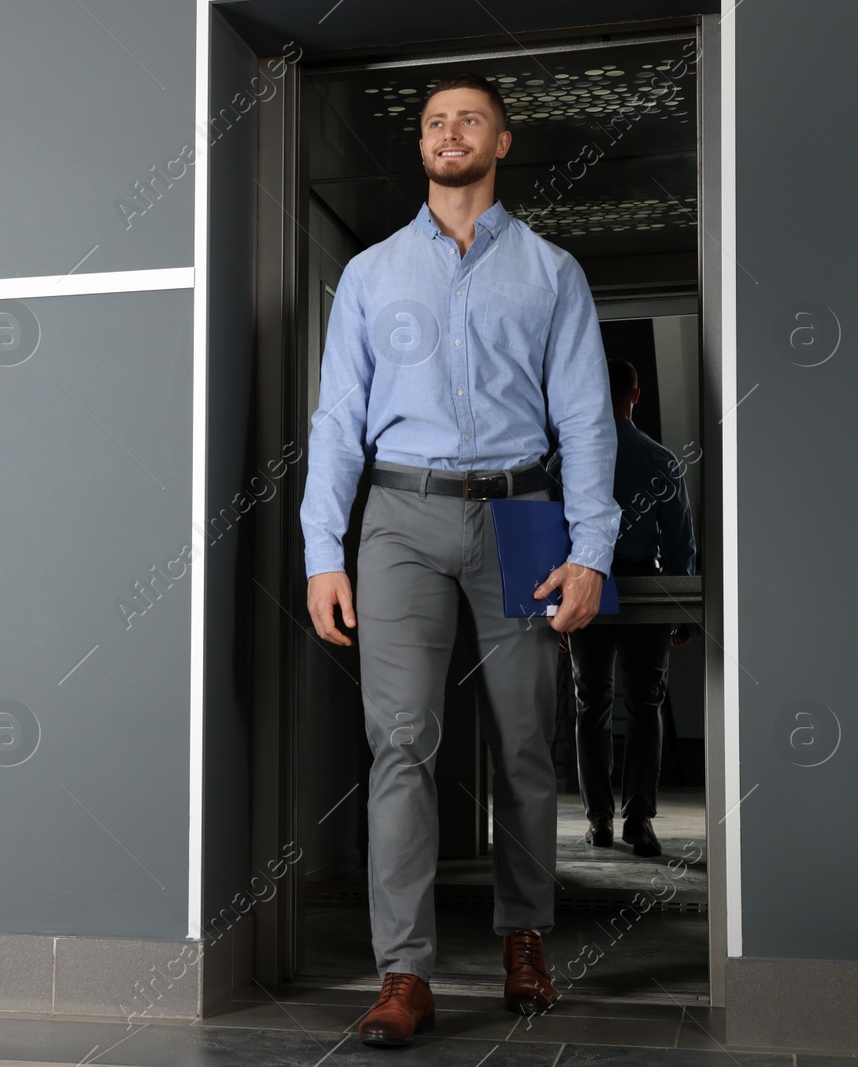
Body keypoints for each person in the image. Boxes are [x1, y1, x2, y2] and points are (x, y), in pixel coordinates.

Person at [300, 72, 619, 1046]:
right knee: (401, 742)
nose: (448, 133)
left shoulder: (551, 272)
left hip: (522, 512)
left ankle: (525, 935)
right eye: (435, 122)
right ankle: (404, 971)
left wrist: (591, 546)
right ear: (424, 147)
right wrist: (323, 547)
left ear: (500, 142)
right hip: (399, 511)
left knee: (524, 741)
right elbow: (337, 423)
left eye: (467, 119)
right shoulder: (370, 275)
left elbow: (584, 418)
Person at [567, 358, 697, 858]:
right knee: (645, 703)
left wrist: (557, 607)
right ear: (636, 397)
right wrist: (682, 615)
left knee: (590, 703)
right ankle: (638, 820)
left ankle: (598, 819)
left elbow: (552, 532)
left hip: (586, 588)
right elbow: (682, 544)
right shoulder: (661, 459)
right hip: (645, 585)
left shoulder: (571, 459)